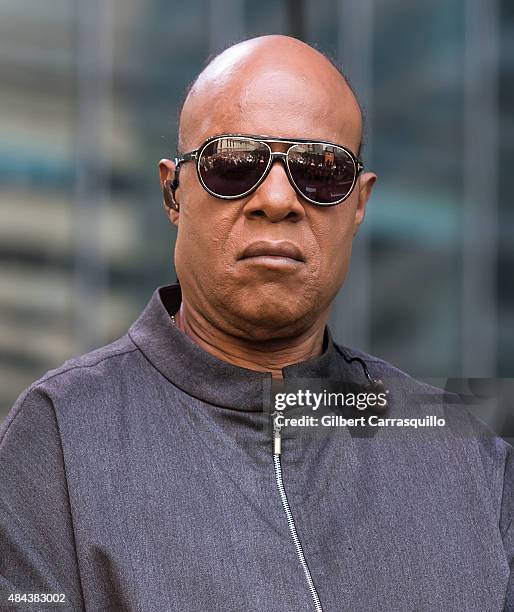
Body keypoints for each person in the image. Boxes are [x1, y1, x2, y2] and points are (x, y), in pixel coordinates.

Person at [0, 35, 512, 612]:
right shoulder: (60, 436)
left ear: (360, 203)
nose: (275, 199)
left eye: (320, 171)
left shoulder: (467, 455)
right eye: (233, 164)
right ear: (173, 192)